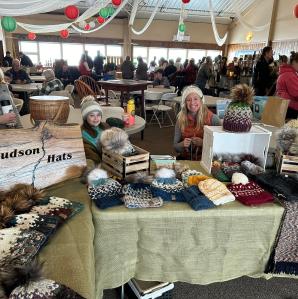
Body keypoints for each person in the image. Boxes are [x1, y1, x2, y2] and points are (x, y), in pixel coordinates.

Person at [173, 85, 221, 160]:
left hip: (207, 161)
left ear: (201, 101)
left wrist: (203, 143)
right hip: (186, 159)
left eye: (196, 99)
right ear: (185, 103)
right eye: (188, 100)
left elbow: (220, 148)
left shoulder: (213, 119)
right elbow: (176, 148)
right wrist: (182, 144)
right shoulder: (180, 120)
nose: (192, 103)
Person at [80, 96, 109, 164]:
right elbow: (89, 153)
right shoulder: (83, 133)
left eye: (98, 115)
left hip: (111, 159)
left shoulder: (105, 126)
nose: (96, 118)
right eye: (92, 115)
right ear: (85, 117)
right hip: (97, 161)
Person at [276, 51, 298, 119]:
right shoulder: (290, 75)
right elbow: (296, 93)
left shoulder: (286, 72)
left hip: (284, 105)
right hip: (290, 107)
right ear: (294, 62)